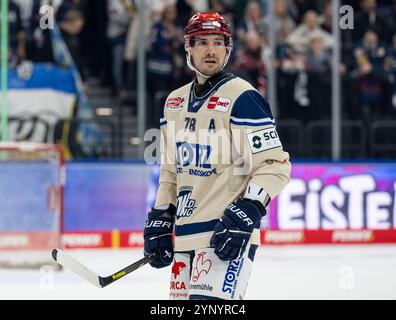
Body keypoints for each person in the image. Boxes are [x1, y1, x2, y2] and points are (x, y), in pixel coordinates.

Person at [143, 12, 291, 300]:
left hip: (225, 234)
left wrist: (249, 209)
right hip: (186, 236)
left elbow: (275, 165)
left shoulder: (243, 98)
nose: (210, 50)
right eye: (201, 43)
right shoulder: (173, 102)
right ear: (188, 48)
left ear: (228, 48)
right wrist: (161, 216)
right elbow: (171, 171)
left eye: (217, 42)